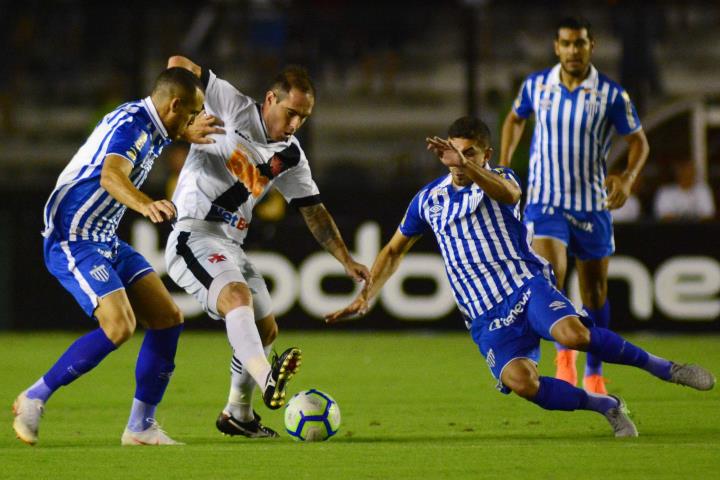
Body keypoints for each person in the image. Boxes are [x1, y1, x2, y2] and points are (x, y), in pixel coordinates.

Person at [326, 116, 715, 437]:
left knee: (573, 334)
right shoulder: (428, 199)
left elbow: (510, 196)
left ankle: (666, 369)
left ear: (486, 154)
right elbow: (394, 249)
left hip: (525, 287)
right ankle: (605, 406)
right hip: (484, 315)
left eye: (470, 153)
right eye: (454, 153)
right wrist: (367, 295)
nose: (458, 161)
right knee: (522, 382)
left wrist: (470, 168)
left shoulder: (501, 178)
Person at [12, 67, 224, 446]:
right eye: (190, 114)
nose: (193, 121)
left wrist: (186, 131)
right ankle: (33, 397)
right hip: (73, 237)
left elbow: (161, 136)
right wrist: (145, 205)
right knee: (119, 325)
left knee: (167, 318)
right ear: (173, 105)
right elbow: (111, 176)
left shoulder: (152, 124)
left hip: (104, 237)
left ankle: (140, 427)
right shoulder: (132, 127)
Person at [164, 56, 370, 438]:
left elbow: (314, 212)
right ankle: (267, 383)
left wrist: (345, 259)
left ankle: (237, 414)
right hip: (192, 233)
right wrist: (183, 124)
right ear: (270, 99)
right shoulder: (231, 104)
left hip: (230, 244)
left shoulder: (290, 156)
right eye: (291, 113)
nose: (294, 125)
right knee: (237, 297)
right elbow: (178, 63)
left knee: (265, 328)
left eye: (303, 118)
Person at [499, 17, 650, 394]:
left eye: (579, 43)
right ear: (556, 47)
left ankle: (594, 370)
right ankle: (565, 355)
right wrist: (502, 166)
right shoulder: (537, 85)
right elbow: (515, 119)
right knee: (550, 273)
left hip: (592, 206)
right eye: (566, 43)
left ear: (591, 47)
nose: (572, 50)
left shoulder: (611, 95)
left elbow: (639, 143)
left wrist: (627, 179)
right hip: (546, 203)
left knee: (596, 293)